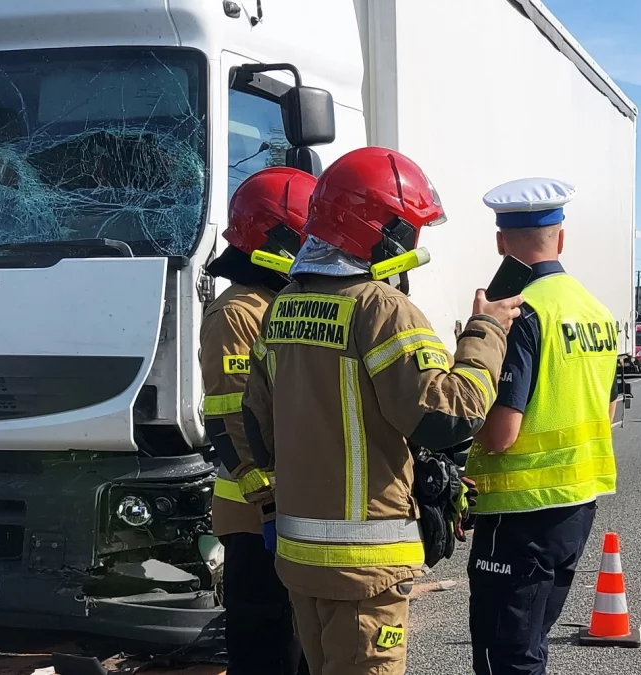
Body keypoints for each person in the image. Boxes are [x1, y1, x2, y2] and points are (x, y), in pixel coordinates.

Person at [241, 147, 523, 675]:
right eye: (410, 230)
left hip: (300, 557)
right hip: (365, 568)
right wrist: (487, 331)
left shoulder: (283, 306)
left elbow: (256, 427)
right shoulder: (380, 308)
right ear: (380, 230)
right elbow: (450, 417)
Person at [466, 177, 621, 675]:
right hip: (576, 507)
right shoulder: (596, 311)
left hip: (518, 513)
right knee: (531, 644)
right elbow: (609, 406)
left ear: (499, 242)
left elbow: (499, 434)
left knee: (504, 657)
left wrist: (474, 358)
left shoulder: (519, 313)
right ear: (561, 237)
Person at [201, 166, 317, 675]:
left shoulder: (280, 302)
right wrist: (269, 502)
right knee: (265, 651)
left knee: (298, 649)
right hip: (256, 520)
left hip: (290, 511)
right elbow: (231, 417)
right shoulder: (239, 312)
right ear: (276, 239)